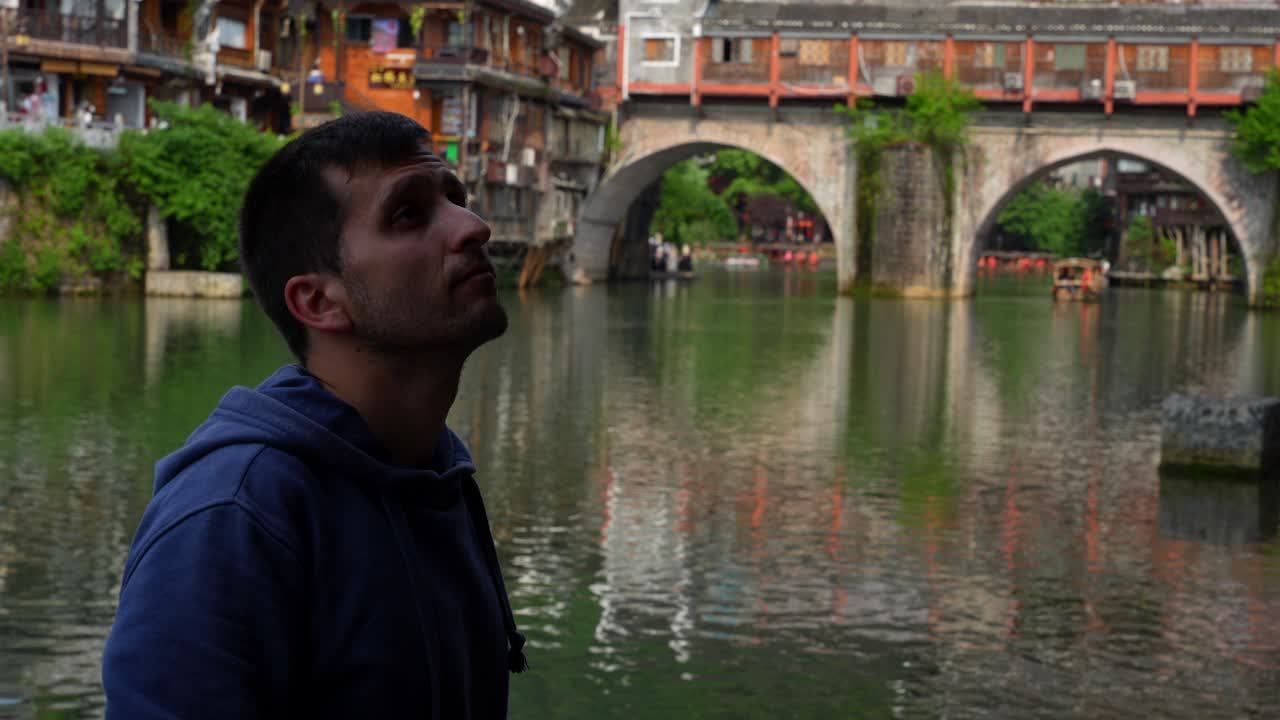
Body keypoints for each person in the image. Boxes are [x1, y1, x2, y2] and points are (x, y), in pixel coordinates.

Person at [102, 112, 526, 718]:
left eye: (455, 199)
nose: (474, 227)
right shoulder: (231, 519)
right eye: (409, 214)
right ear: (319, 301)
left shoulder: (439, 475)